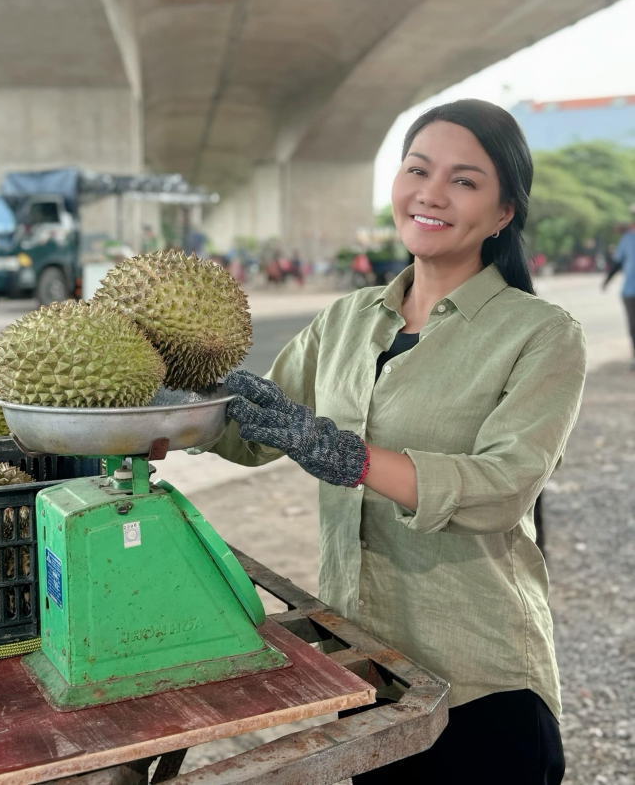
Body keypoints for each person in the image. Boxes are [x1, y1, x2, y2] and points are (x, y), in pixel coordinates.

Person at [206, 100, 586, 784]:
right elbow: (255, 431)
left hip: (481, 684)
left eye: (464, 180)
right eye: (417, 169)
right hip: (368, 674)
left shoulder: (540, 333)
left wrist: (349, 457)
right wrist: (157, 415)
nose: (431, 193)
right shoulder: (346, 319)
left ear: (502, 212)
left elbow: (501, 486)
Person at [602, 207, 635, 368]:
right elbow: (617, 263)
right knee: (633, 326)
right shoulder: (627, 239)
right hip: (630, 289)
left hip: (630, 290)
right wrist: (607, 281)